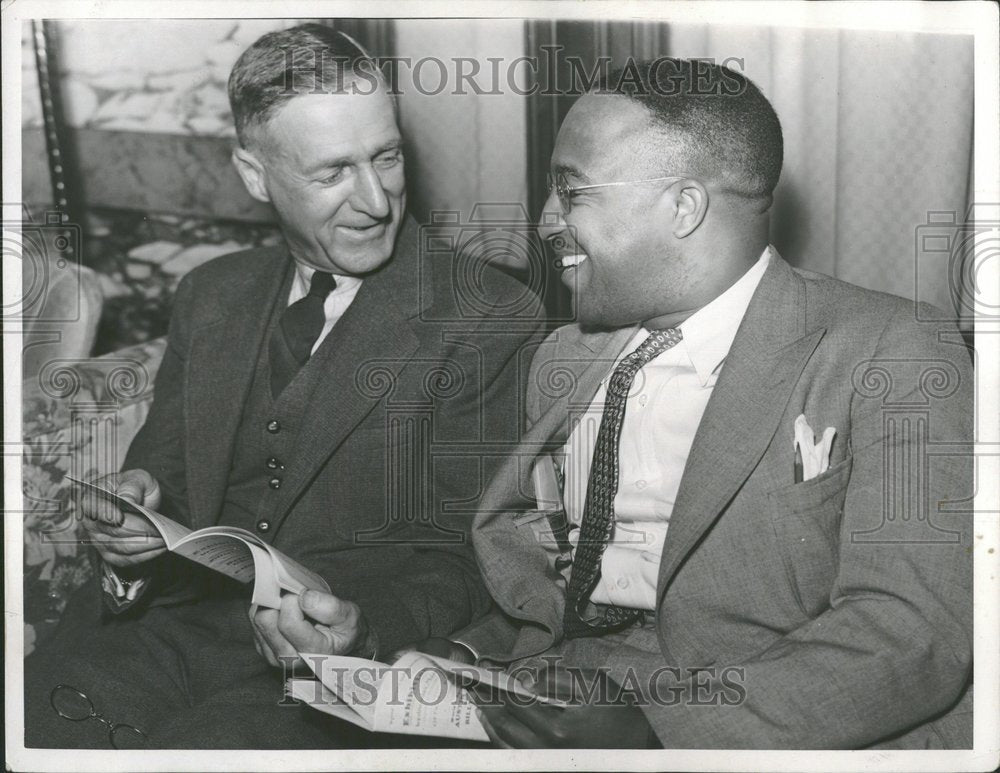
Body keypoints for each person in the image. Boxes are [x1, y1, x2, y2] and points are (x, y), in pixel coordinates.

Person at [419, 59, 973, 748]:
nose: (544, 222)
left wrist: (660, 729)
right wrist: (466, 657)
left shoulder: (891, 349)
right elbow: (555, 584)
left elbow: (912, 634)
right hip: (552, 699)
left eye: (571, 191)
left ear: (684, 207)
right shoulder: (564, 357)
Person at [24, 23, 542, 749]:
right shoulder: (210, 295)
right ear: (254, 174)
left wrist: (362, 628)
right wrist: (127, 534)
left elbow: (471, 559)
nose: (374, 200)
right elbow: (160, 483)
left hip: (333, 678)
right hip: (156, 637)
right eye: (332, 173)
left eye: (386, 157)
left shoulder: (487, 314)